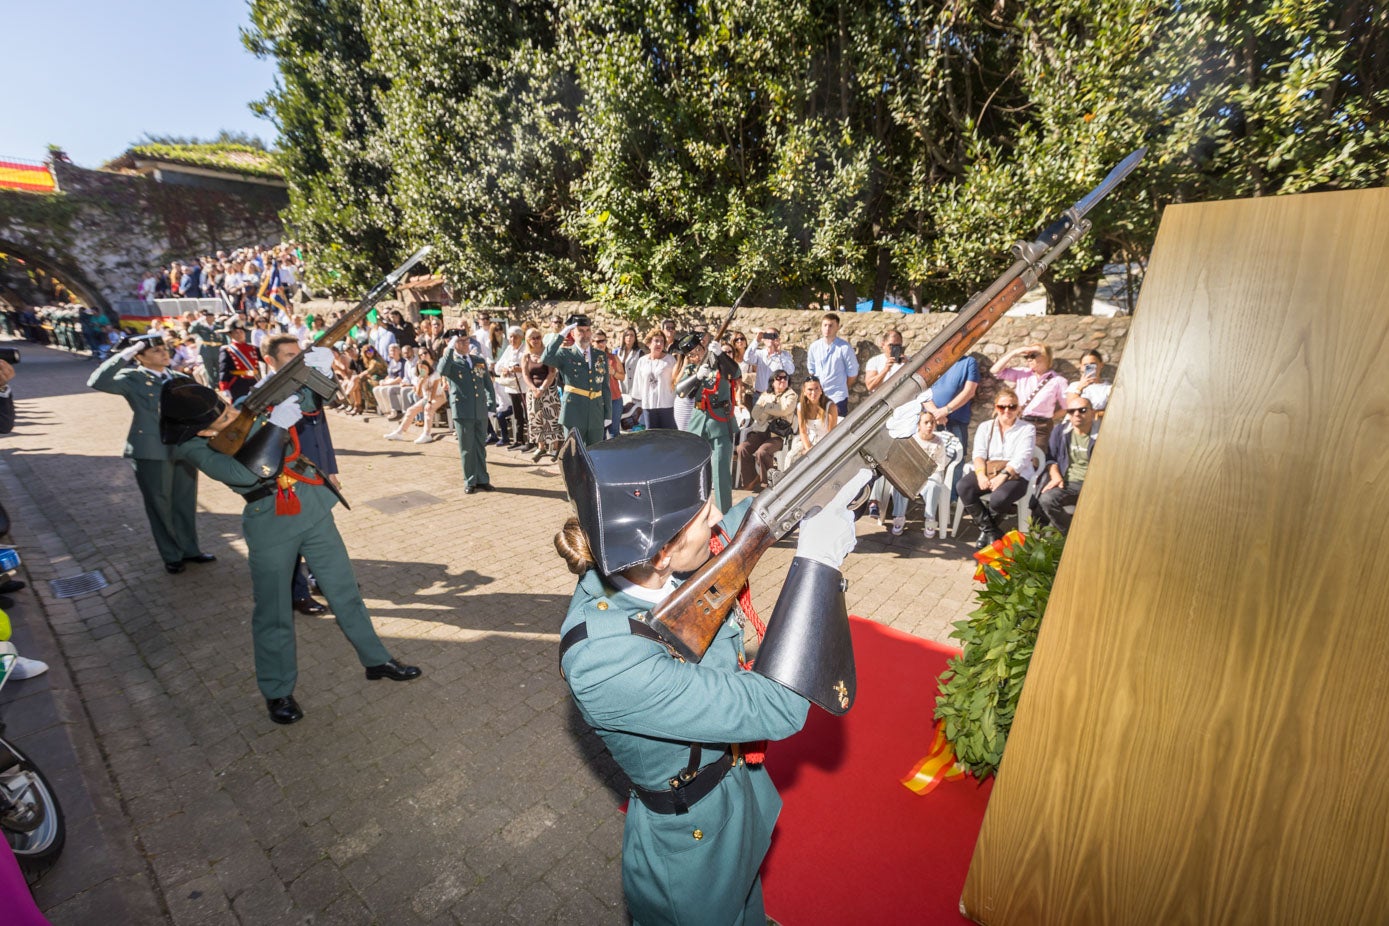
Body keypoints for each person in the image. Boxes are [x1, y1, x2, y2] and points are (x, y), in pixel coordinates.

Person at [554, 429, 869, 926]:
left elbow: (748, 521)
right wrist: (818, 565)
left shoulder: (644, 565)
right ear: (662, 552)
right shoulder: (604, 658)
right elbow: (781, 707)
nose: (718, 516)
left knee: (746, 909)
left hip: (735, 796)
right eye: (704, 514)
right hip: (690, 842)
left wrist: (833, 467)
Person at [161, 383, 421, 724]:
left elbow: (306, 400)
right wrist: (277, 425)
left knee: (345, 591)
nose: (234, 413)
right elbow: (246, 472)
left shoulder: (246, 407)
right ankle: (277, 691)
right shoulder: (195, 448)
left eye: (227, 405)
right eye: (225, 415)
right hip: (270, 524)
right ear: (205, 430)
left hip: (311, 509)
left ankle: (376, 660)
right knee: (274, 611)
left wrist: (315, 375)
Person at [88, 336, 213, 573]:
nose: (164, 354)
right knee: (159, 504)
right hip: (151, 449)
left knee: (184, 502)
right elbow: (97, 381)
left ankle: (190, 549)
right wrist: (128, 351)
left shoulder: (179, 378)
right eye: (155, 351)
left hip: (183, 447)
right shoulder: (132, 378)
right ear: (140, 356)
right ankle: (171, 554)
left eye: (164, 350)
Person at [261, 334, 338, 614]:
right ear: (270, 361)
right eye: (289, 356)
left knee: (320, 531)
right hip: (288, 477)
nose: (297, 361)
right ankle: (297, 593)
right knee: (292, 539)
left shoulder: (307, 385)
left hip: (316, 471)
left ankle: (322, 578)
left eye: (299, 354)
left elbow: (321, 429)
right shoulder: (264, 393)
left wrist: (330, 469)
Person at [957, 386, 1038, 547]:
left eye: (1012, 406)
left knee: (999, 499)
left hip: (1016, 474)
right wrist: (980, 475)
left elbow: (1022, 457)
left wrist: (1003, 476)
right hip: (990, 470)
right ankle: (991, 531)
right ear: (996, 408)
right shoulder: (985, 427)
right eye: (1002, 406)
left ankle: (986, 533)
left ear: (1018, 408)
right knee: (963, 486)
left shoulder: (1027, 429)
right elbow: (978, 454)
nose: (1007, 410)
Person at [676, 334, 740, 512]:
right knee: (695, 474)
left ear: (704, 349)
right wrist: (697, 376)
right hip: (698, 424)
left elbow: (736, 373)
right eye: (692, 354)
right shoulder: (690, 370)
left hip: (720, 424)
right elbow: (680, 391)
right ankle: (695, 514)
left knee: (721, 474)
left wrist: (720, 354)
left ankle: (724, 515)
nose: (696, 355)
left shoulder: (720, 364)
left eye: (698, 350)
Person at [886, 407, 963, 537]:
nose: (929, 426)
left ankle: (930, 519)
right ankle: (899, 517)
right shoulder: (912, 439)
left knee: (933, 485)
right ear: (918, 425)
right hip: (912, 473)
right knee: (901, 484)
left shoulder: (938, 442)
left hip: (930, 474)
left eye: (932, 422)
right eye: (926, 422)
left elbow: (940, 464)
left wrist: (926, 473)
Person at [540, 315, 610, 447]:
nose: (585, 334)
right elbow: (546, 358)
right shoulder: (565, 354)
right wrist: (561, 335)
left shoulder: (600, 355)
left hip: (596, 412)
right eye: (581, 331)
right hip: (573, 412)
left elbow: (605, 386)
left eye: (588, 330)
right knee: (573, 453)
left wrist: (608, 414)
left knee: (596, 452)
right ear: (572, 333)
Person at [438, 334, 496, 493]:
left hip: (479, 409)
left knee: (480, 446)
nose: (465, 343)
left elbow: (486, 383)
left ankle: (483, 479)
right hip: (463, 410)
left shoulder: (478, 360)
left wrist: (491, 403)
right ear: (452, 343)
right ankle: (470, 480)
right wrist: (449, 348)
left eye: (466, 340)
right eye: (460, 341)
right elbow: (441, 370)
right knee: (467, 448)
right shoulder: (451, 361)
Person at [1036, 397, 1100, 535]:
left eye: (1082, 410)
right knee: (1046, 499)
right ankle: (1072, 535)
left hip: (1093, 484)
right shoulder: (1060, 431)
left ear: (1092, 412)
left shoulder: (1103, 434)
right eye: (1071, 411)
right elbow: (1051, 457)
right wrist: (1055, 474)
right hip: (1067, 482)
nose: (1077, 414)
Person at [991, 342, 1068, 447]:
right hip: (1018, 421)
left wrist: (1048, 418)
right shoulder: (1022, 373)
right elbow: (995, 371)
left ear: (1046, 356)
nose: (1029, 359)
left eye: (1033, 355)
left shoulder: (1058, 381)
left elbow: (1066, 407)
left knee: (1036, 458)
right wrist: (1015, 352)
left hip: (1041, 427)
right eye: (1027, 356)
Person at [735, 370, 797, 490]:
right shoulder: (765, 394)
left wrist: (767, 407)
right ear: (773, 382)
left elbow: (783, 410)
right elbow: (755, 413)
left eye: (785, 378)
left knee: (762, 452)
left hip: (778, 435)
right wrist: (768, 412)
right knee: (742, 448)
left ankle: (767, 483)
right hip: (762, 431)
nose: (783, 381)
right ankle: (751, 479)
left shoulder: (791, 395)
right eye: (779, 378)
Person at [805, 312, 859, 417]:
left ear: (837, 327)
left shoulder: (844, 348)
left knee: (837, 429)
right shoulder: (814, 347)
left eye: (831, 325)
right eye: (825, 325)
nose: (827, 328)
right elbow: (811, 370)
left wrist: (842, 386)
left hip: (837, 397)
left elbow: (852, 373)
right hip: (818, 396)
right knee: (818, 428)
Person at [384, 353, 446, 443]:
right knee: (411, 410)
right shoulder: (419, 378)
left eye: (424, 367)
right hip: (426, 398)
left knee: (428, 409)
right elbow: (419, 394)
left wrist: (429, 402)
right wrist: (420, 383)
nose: (423, 369)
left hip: (439, 396)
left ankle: (427, 434)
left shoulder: (435, 375)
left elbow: (434, 390)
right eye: (420, 368)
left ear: (428, 367)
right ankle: (399, 432)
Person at [784, 376, 838, 469]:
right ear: (804, 392)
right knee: (791, 457)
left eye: (816, 388)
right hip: (809, 441)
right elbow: (803, 431)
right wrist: (808, 449)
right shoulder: (801, 407)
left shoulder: (830, 407)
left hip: (826, 443)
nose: (814, 393)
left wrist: (814, 452)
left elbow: (831, 434)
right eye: (810, 389)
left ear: (821, 390)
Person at [631, 329, 678, 430]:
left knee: (668, 437)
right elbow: (638, 382)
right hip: (648, 405)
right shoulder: (642, 361)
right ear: (649, 343)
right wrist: (638, 402)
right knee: (652, 437)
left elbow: (676, 380)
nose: (659, 344)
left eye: (662, 341)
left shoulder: (670, 360)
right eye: (656, 341)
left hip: (667, 405)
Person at [746, 328, 795, 406]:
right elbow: (746, 358)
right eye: (768, 336)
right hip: (760, 396)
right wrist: (756, 340)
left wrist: (779, 354)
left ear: (778, 339)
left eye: (773, 336)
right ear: (763, 339)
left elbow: (790, 371)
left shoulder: (784, 355)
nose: (770, 339)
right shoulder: (760, 354)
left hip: (777, 397)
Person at [218, 319, 263, 403]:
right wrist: (224, 387)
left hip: (254, 381)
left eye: (241, 331)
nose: (239, 334)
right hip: (238, 384)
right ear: (231, 335)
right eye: (236, 332)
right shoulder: (227, 350)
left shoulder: (253, 348)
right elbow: (223, 370)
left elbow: (267, 358)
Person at [592, 329, 626, 438]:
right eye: (598, 341)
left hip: (614, 400)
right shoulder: (588, 359)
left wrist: (614, 372)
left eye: (604, 341)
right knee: (599, 433)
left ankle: (615, 455)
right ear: (592, 342)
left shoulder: (613, 357)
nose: (602, 344)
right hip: (597, 401)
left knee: (614, 433)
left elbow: (623, 377)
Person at [1064, 349, 1113, 414]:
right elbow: (1070, 407)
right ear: (1081, 367)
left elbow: (1112, 411)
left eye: (1093, 364)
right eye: (1085, 365)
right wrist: (1079, 388)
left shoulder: (1108, 388)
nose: (1089, 367)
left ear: (1101, 365)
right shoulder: (1074, 386)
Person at [615, 326, 644, 396]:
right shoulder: (618, 352)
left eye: (632, 335)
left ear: (635, 339)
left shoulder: (639, 353)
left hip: (635, 388)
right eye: (627, 335)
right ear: (624, 338)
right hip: (620, 387)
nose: (629, 337)